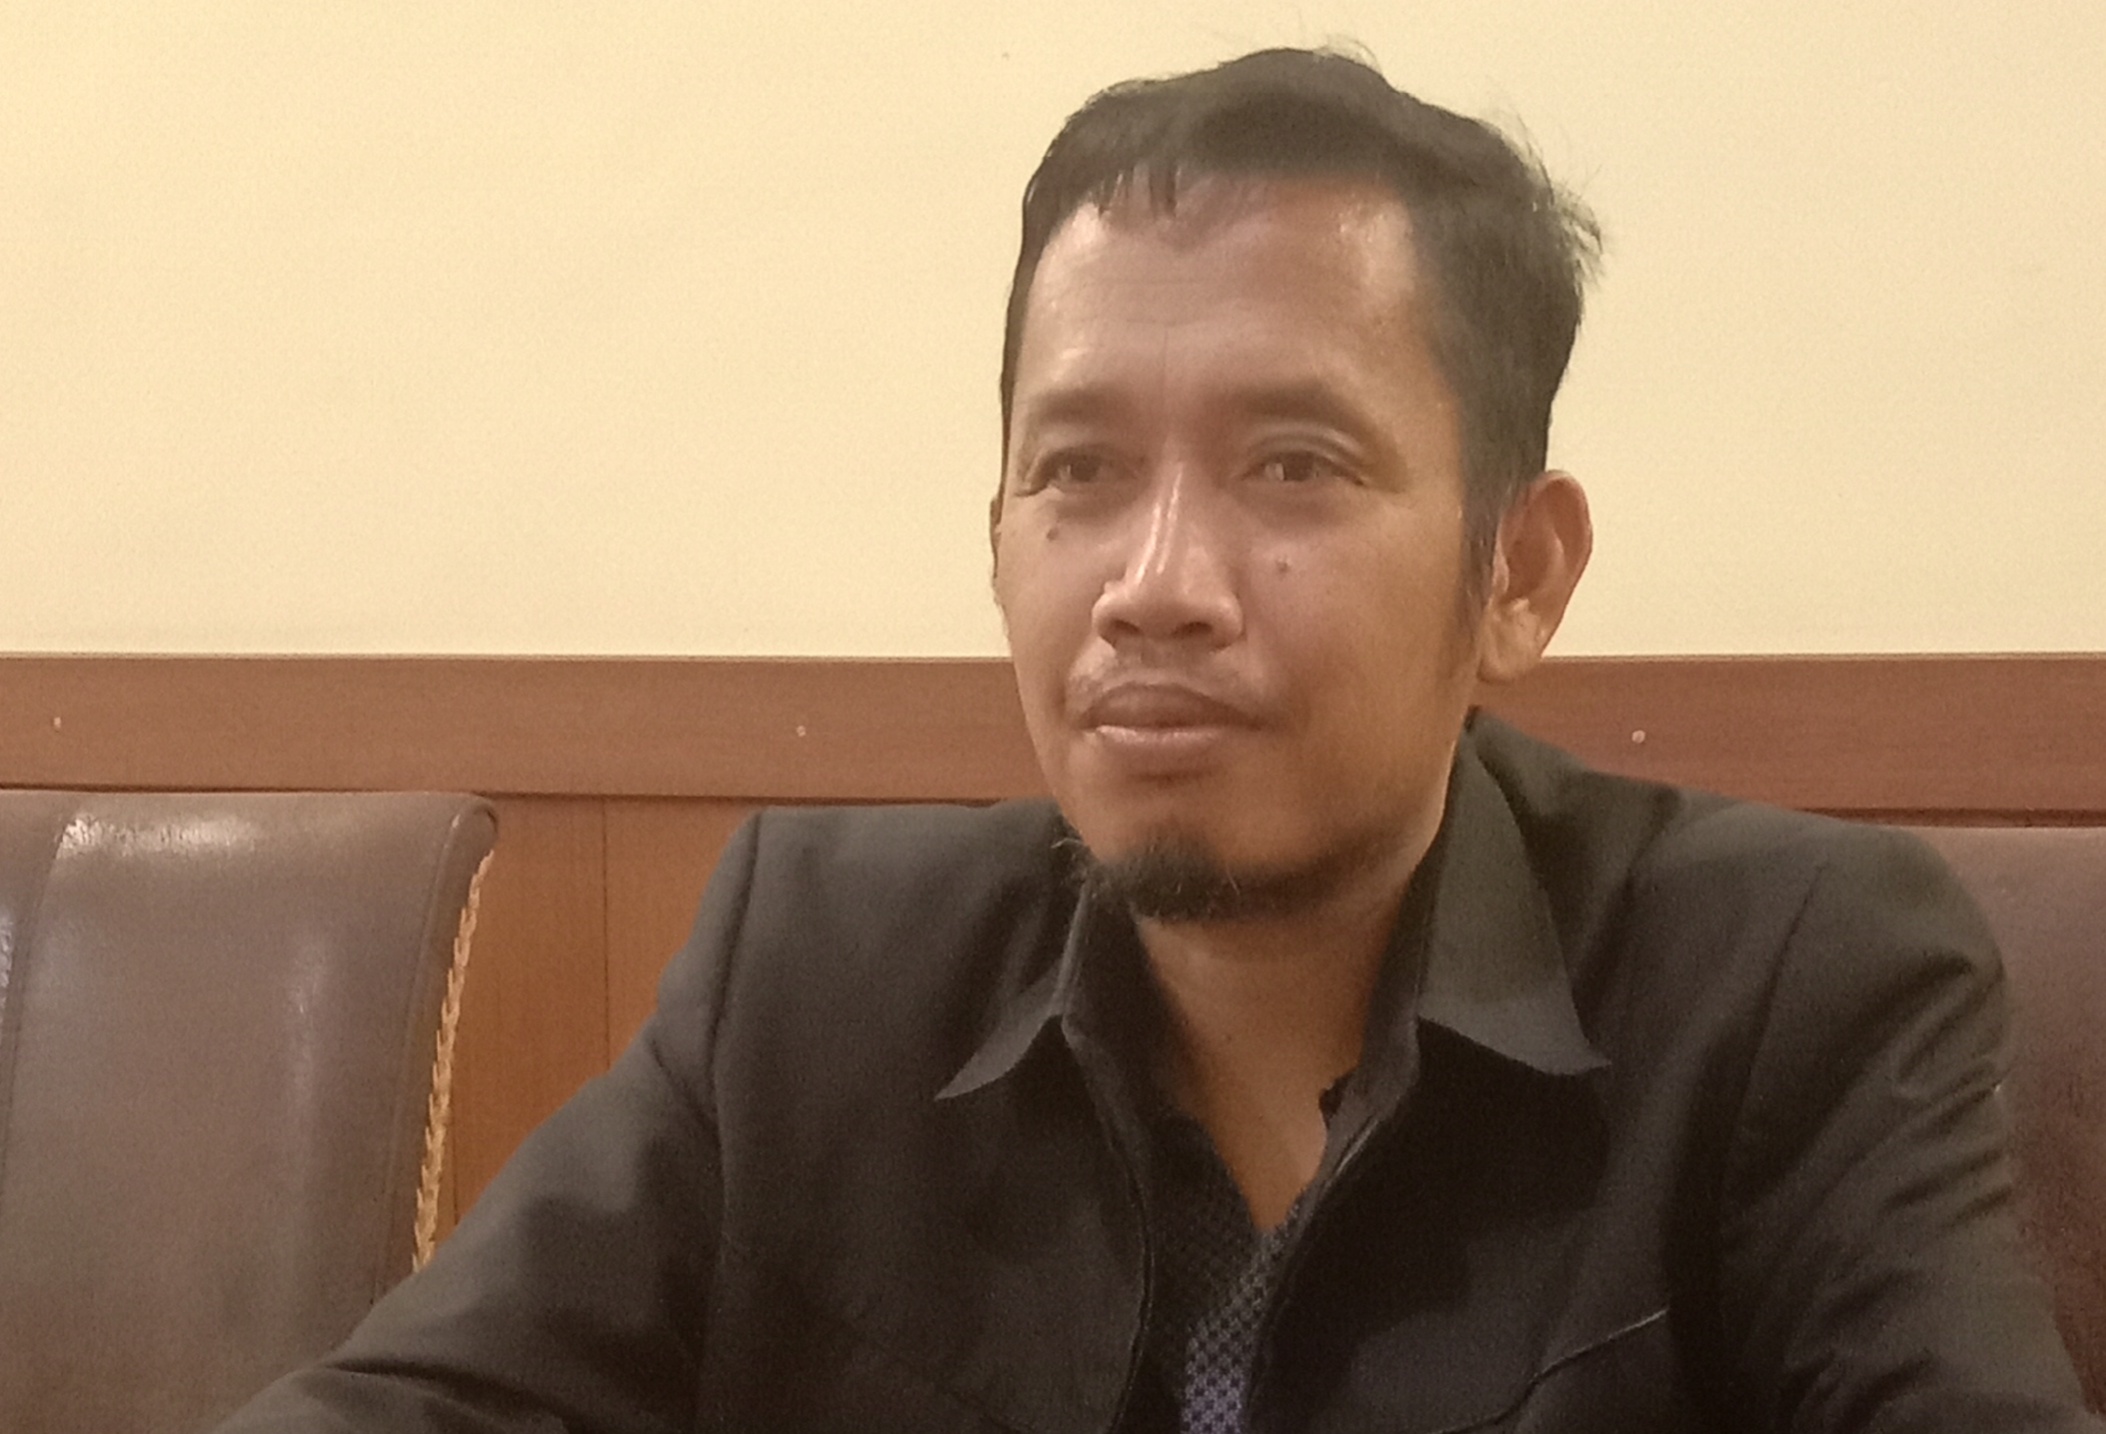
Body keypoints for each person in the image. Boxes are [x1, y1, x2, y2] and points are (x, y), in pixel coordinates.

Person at [218, 47, 2099, 1433]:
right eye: (1079, 471)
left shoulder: (1784, 983)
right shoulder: (815, 961)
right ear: (995, 537)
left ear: (1517, 572)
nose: (1155, 583)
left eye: (1293, 464)